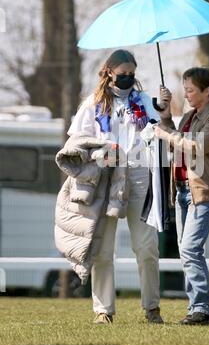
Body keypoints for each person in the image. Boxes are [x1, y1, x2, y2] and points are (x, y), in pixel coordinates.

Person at [67, 49, 164, 324]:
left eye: (132, 75)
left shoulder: (144, 100)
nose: (128, 79)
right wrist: (99, 152)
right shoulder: (93, 103)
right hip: (105, 178)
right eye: (123, 75)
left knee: (146, 245)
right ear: (109, 73)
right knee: (103, 248)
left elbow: (161, 130)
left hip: (139, 174)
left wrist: (163, 109)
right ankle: (103, 311)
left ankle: (152, 308)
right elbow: (77, 140)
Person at [154, 67, 209, 325]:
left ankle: (202, 310)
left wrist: (167, 134)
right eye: (185, 89)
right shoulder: (189, 116)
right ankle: (196, 308)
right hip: (183, 190)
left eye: (190, 90)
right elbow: (179, 136)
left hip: (204, 191)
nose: (185, 94)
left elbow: (198, 145)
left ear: (207, 91)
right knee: (188, 251)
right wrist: (165, 118)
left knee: (190, 249)